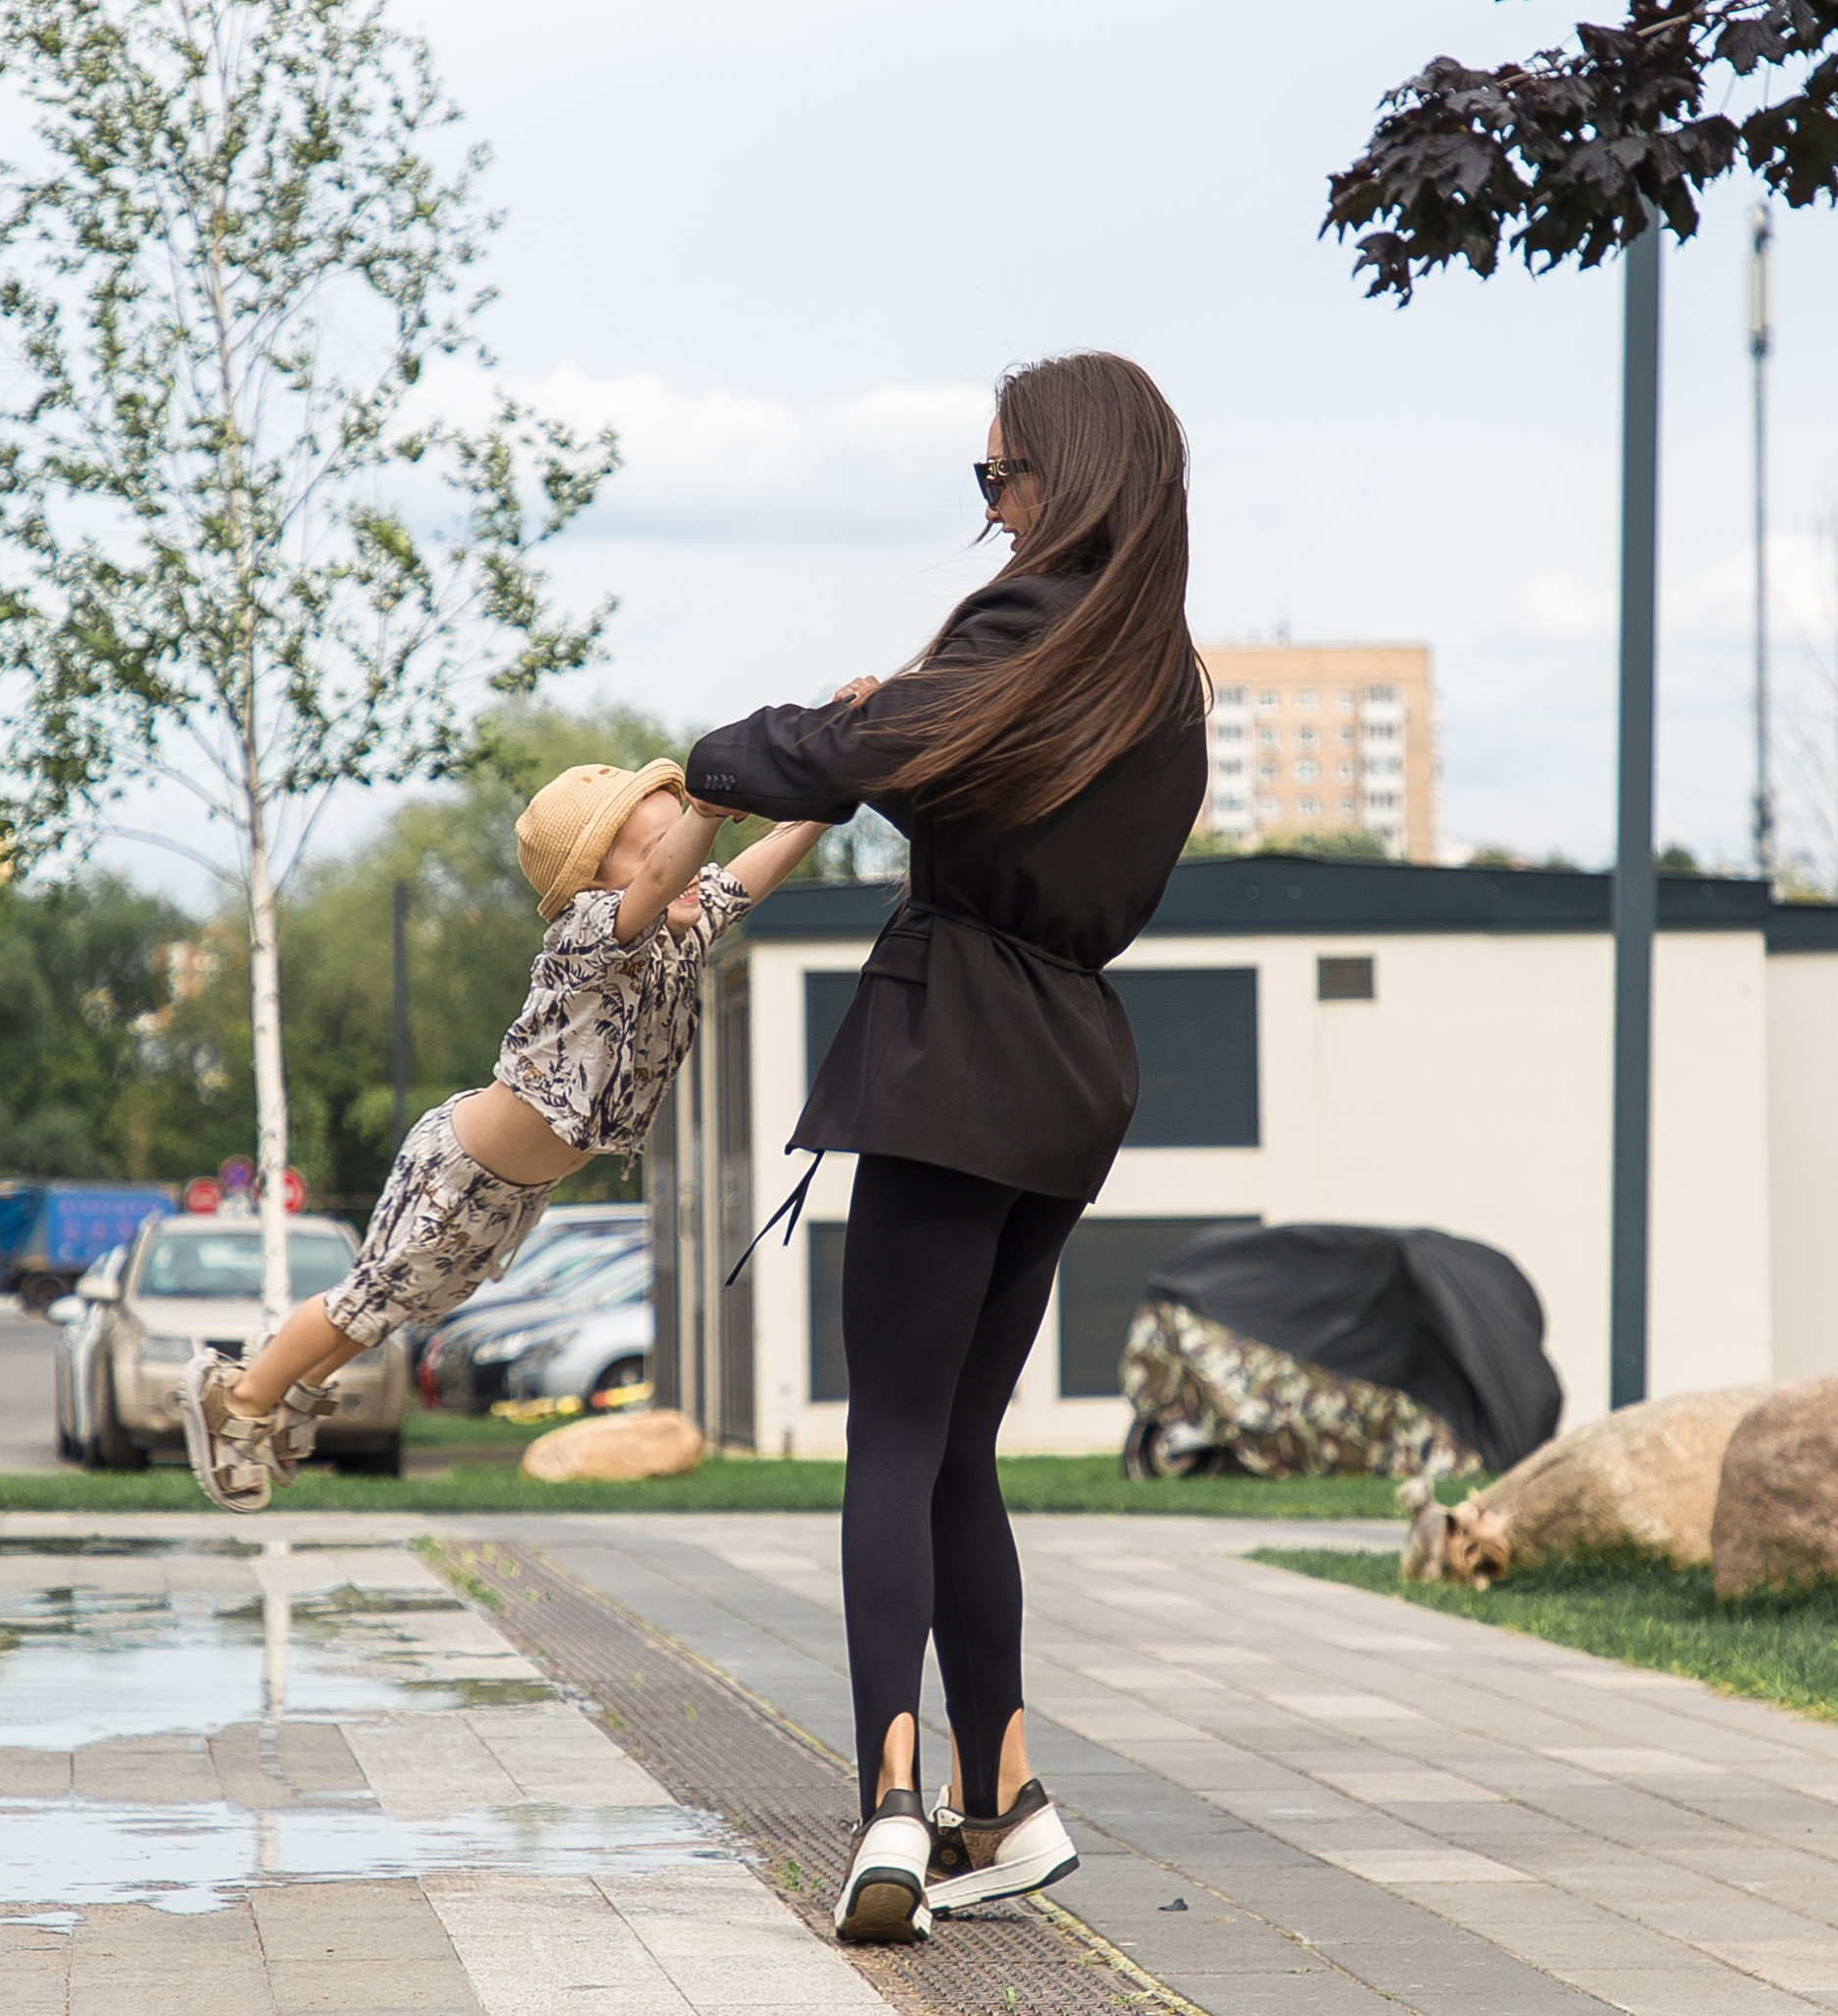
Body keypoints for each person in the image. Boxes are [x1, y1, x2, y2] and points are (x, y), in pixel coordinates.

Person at [684, 352, 1209, 1945]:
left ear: (1069, 472)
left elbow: (837, 761)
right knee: (962, 1443)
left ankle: (892, 1809)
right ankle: (1013, 1798)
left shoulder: (1024, 627)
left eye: (999, 477)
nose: (990, 511)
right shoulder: (1160, 677)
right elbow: (997, 799)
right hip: (1073, 1064)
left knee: (896, 1439)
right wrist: (901, 746)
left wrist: (705, 761)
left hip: (957, 1046)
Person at [183, 759, 828, 1511]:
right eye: (666, 850)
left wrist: (828, 801)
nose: (691, 867)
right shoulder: (590, 930)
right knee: (368, 1293)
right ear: (593, 882)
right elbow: (656, 884)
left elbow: (750, 872)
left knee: (407, 1303)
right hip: (460, 1168)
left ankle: (300, 1386)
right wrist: (707, 812)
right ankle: (238, 1398)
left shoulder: (685, 926)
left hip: (519, 1185)